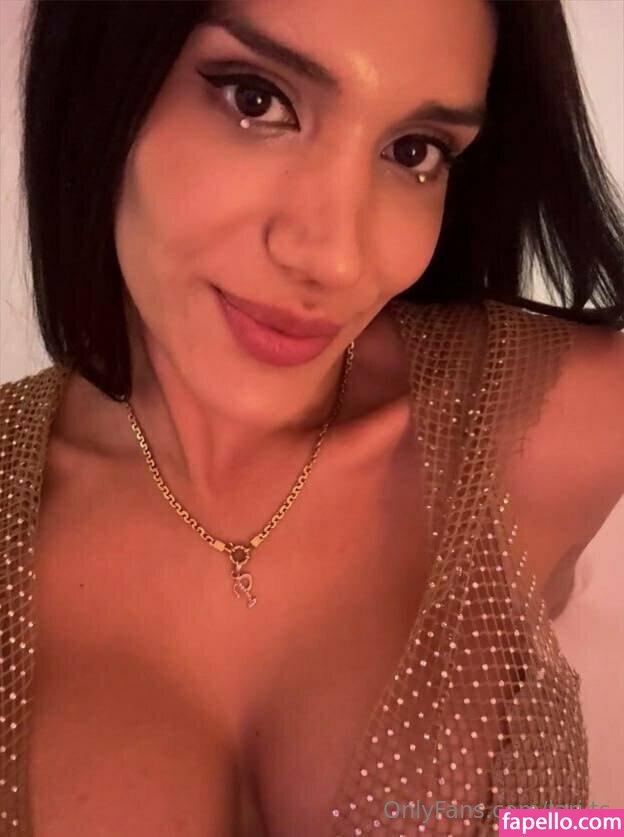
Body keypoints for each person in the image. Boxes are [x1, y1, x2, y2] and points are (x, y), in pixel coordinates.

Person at [1, 0, 623, 834]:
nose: (335, 256)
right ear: (102, 81)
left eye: (414, 151)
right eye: (256, 99)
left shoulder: (544, 423)